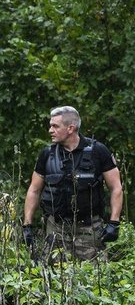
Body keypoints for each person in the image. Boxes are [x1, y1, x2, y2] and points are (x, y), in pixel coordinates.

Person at [22, 106, 124, 262]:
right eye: (51, 125)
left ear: (71, 128)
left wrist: (114, 222)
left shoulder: (98, 151)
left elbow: (116, 187)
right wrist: (27, 225)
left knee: (94, 278)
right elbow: (34, 190)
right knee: (54, 278)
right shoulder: (47, 154)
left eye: (55, 126)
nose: (50, 130)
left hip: (89, 228)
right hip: (56, 228)